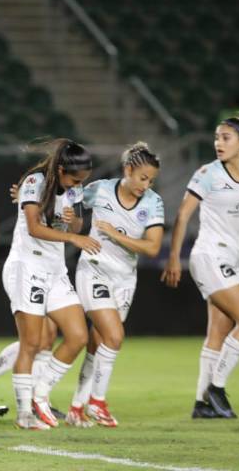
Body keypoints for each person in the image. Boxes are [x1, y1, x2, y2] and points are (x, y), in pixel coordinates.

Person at [65, 142, 164, 427]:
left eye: (151, 180)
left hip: (125, 279)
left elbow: (153, 247)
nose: (146, 185)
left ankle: (76, 407)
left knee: (99, 344)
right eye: (143, 178)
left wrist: (115, 234)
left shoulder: (153, 202)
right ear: (128, 170)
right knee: (115, 336)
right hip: (94, 269)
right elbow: (67, 195)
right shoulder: (100, 189)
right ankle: (97, 402)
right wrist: (65, 215)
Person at [6, 139, 98, 430]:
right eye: (73, 179)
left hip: (55, 269)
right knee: (32, 343)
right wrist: (72, 237)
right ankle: (24, 415)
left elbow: (77, 225)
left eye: (81, 181)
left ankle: (40, 394)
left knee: (77, 336)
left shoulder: (75, 187)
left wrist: (72, 224)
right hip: (27, 267)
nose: (76, 185)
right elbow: (34, 227)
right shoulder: (34, 182)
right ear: (60, 169)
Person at [162, 116, 239, 419]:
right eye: (217, 137)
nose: (219, 143)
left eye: (226, 138)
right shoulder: (207, 173)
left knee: (219, 331)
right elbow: (183, 216)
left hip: (232, 260)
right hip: (210, 257)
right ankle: (217, 387)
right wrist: (173, 257)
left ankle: (202, 403)